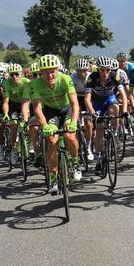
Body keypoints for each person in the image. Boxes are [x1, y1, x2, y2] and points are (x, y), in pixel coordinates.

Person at [32, 54, 82, 195]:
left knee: (70, 136)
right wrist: (45, 126)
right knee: (52, 140)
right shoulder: (36, 84)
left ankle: (76, 163)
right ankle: (53, 178)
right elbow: (37, 108)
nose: (50, 75)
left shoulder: (65, 79)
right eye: (46, 72)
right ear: (41, 72)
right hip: (50, 111)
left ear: (58, 70)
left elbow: (75, 104)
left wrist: (73, 122)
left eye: (52, 70)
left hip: (66, 109)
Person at [84, 56, 128, 171]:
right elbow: (87, 98)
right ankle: (98, 158)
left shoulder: (114, 76)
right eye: (102, 70)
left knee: (115, 108)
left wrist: (124, 110)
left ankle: (115, 132)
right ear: (98, 70)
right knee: (99, 130)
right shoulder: (92, 78)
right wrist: (92, 111)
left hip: (110, 98)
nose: (105, 73)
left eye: (107, 70)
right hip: (97, 102)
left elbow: (123, 94)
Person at [2, 63, 31, 166]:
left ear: (21, 74)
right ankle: (14, 149)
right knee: (13, 125)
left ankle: (30, 143)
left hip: (26, 103)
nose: (14, 77)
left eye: (17, 74)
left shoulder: (27, 82)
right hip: (13, 105)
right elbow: (5, 102)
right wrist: (5, 113)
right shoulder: (6, 83)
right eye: (12, 75)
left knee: (30, 122)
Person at [71, 58, 95, 162]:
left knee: (88, 123)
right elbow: (71, 95)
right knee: (75, 122)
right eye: (79, 71)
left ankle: (89, 147)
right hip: (76, 97)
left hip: (88, 97)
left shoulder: (91, 77)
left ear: (88, 69)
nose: (82, 73)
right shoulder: (72, 77)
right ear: (76, 71)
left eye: (84, 70)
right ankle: (77, 145)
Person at [21, 62, 43, 166]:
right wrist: (25, 120)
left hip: (48, 109)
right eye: (35, 75)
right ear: (30, 76)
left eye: (39, 74)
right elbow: (25, 104)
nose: (37, 77)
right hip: (35, 109)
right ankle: (37, 152)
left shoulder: (49, 82)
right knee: (33, 128)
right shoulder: (28, 86)